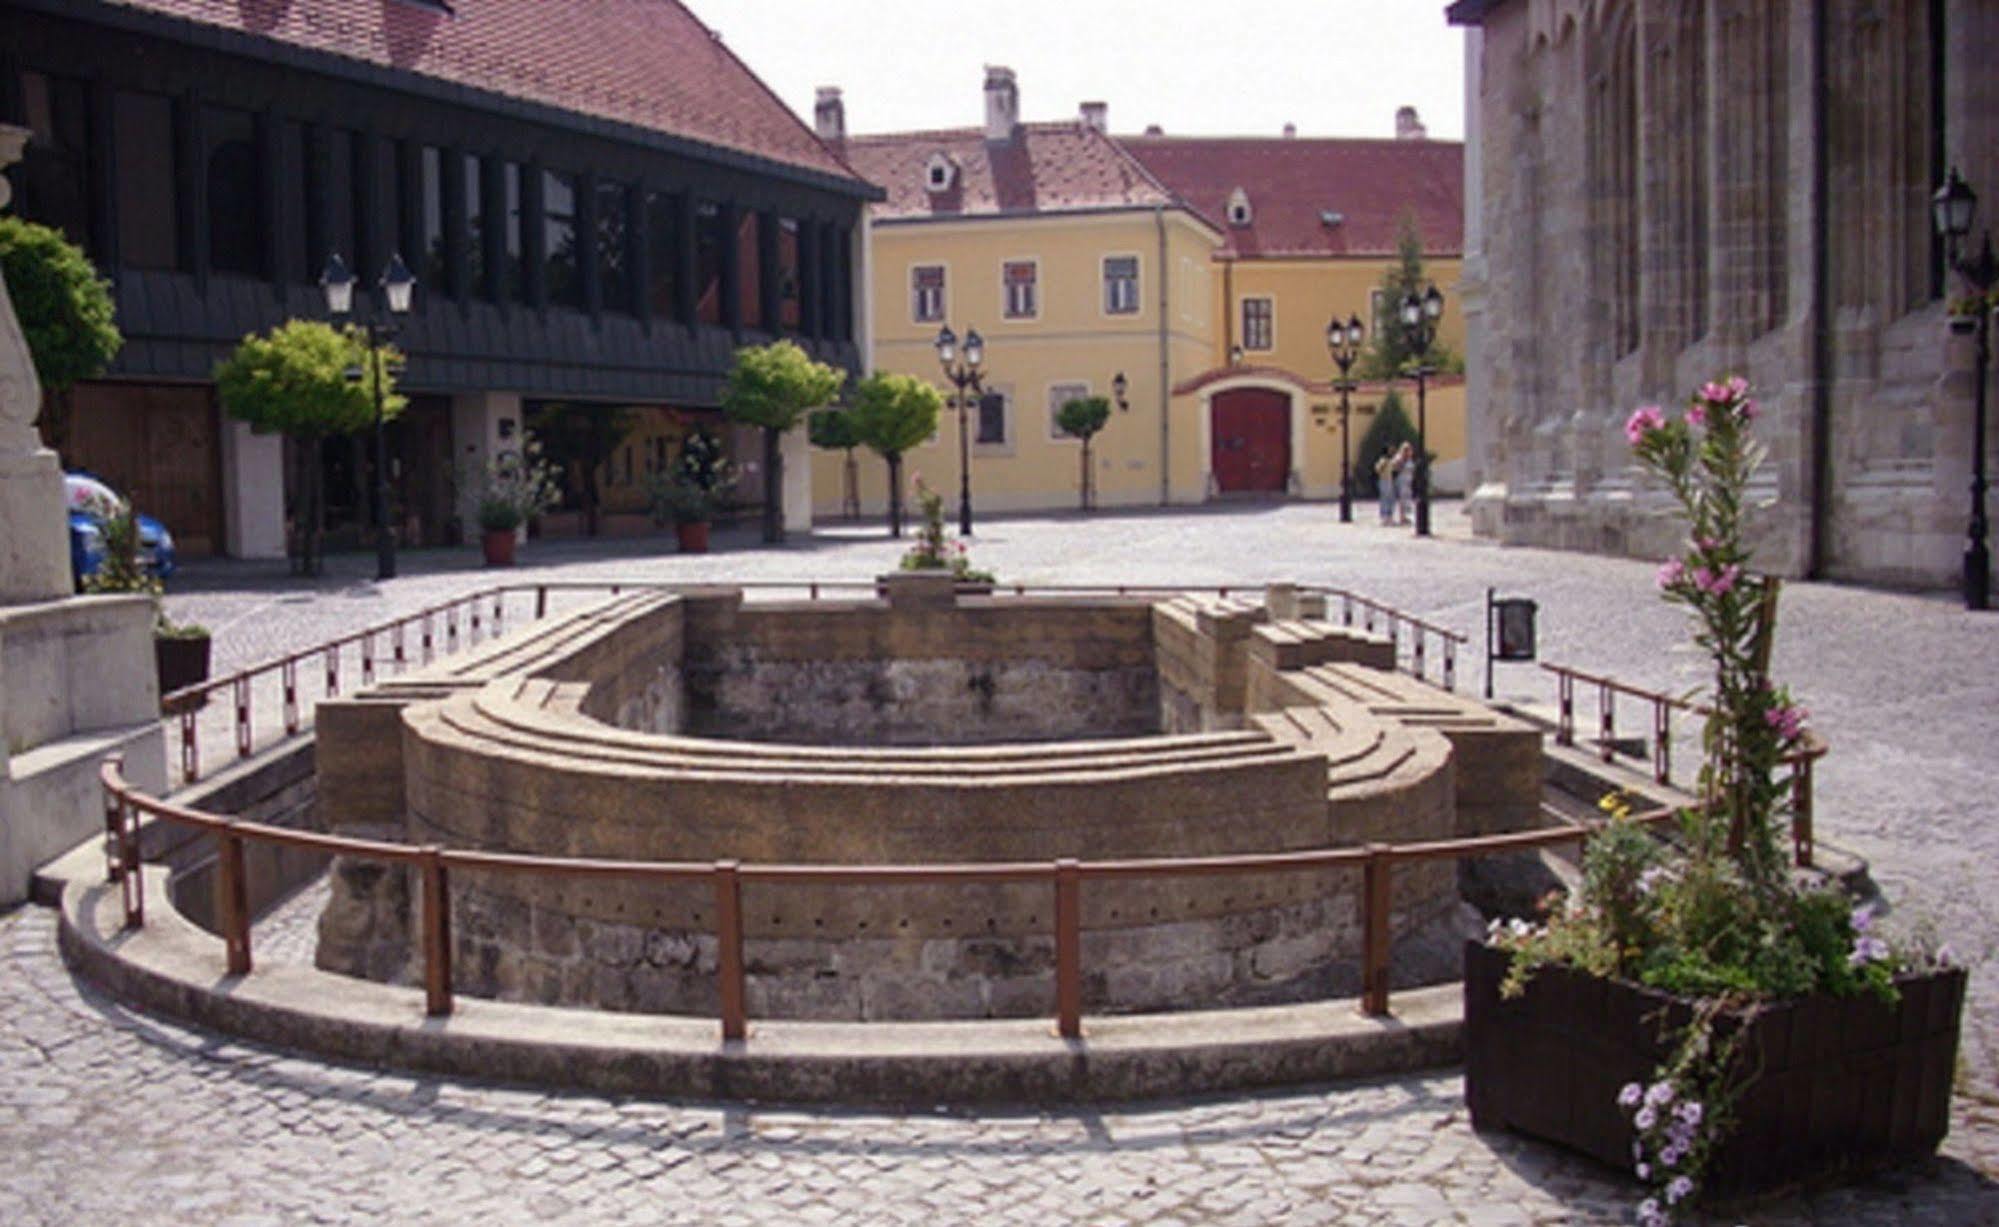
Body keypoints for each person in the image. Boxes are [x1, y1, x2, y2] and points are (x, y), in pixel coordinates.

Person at [1393, 441, 1415, 525]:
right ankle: (1402, 517)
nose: (1410, 452)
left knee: (1407, 499)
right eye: (1408, 450)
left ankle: (1405, 517)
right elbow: (1396, 468)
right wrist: (1402, 462)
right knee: (1403, 499)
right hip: (1402, 481)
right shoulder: (1400, 458)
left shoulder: (1410, 459)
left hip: (1408, 481)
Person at [1374, 449, 1398, 523]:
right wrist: (1383, 466)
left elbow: (1394, 469)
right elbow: (1377, 469)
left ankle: (1389, 516)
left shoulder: (1390, 461)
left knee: (1391, 499)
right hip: (1384, 481)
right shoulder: (1383, 460)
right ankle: (1384, 516)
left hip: (1389, 480)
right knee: (1385, 498)